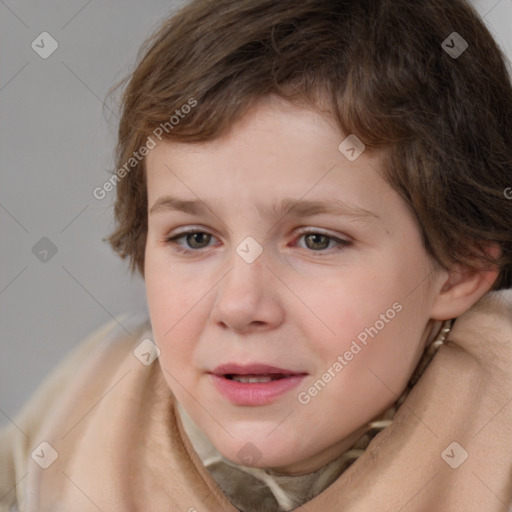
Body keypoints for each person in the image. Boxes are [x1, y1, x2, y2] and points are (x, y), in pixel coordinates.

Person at [1, 0, 512, 510]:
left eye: (317, 240)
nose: (239, 306)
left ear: (459, 265)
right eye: (195, 238)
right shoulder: (75, 420)